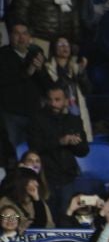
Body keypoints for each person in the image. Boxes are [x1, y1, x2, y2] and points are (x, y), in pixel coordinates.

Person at [27, 84, 89, 219]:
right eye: (51, 100)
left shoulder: (74, 121)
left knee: (65, 216)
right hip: (45, 177)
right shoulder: (37, 119)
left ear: (66, 100)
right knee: (46, 217)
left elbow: (84, 151)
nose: (53, 104)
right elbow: (35, 147)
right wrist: (60, 141)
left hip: (67, 177)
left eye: (57, 100)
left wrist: (74, 144)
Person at [0, 21, 45, 150]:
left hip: (34, 114)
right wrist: (27, 72)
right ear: (10, 36)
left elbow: (47, 85)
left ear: (29, 37)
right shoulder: (3, 54)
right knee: (11, 151)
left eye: (24, 33)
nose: (21, 37)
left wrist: (41, 70)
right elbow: (4, 79)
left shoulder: (36, 54)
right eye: (17, 33)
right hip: (10, 114)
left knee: (35, 153)